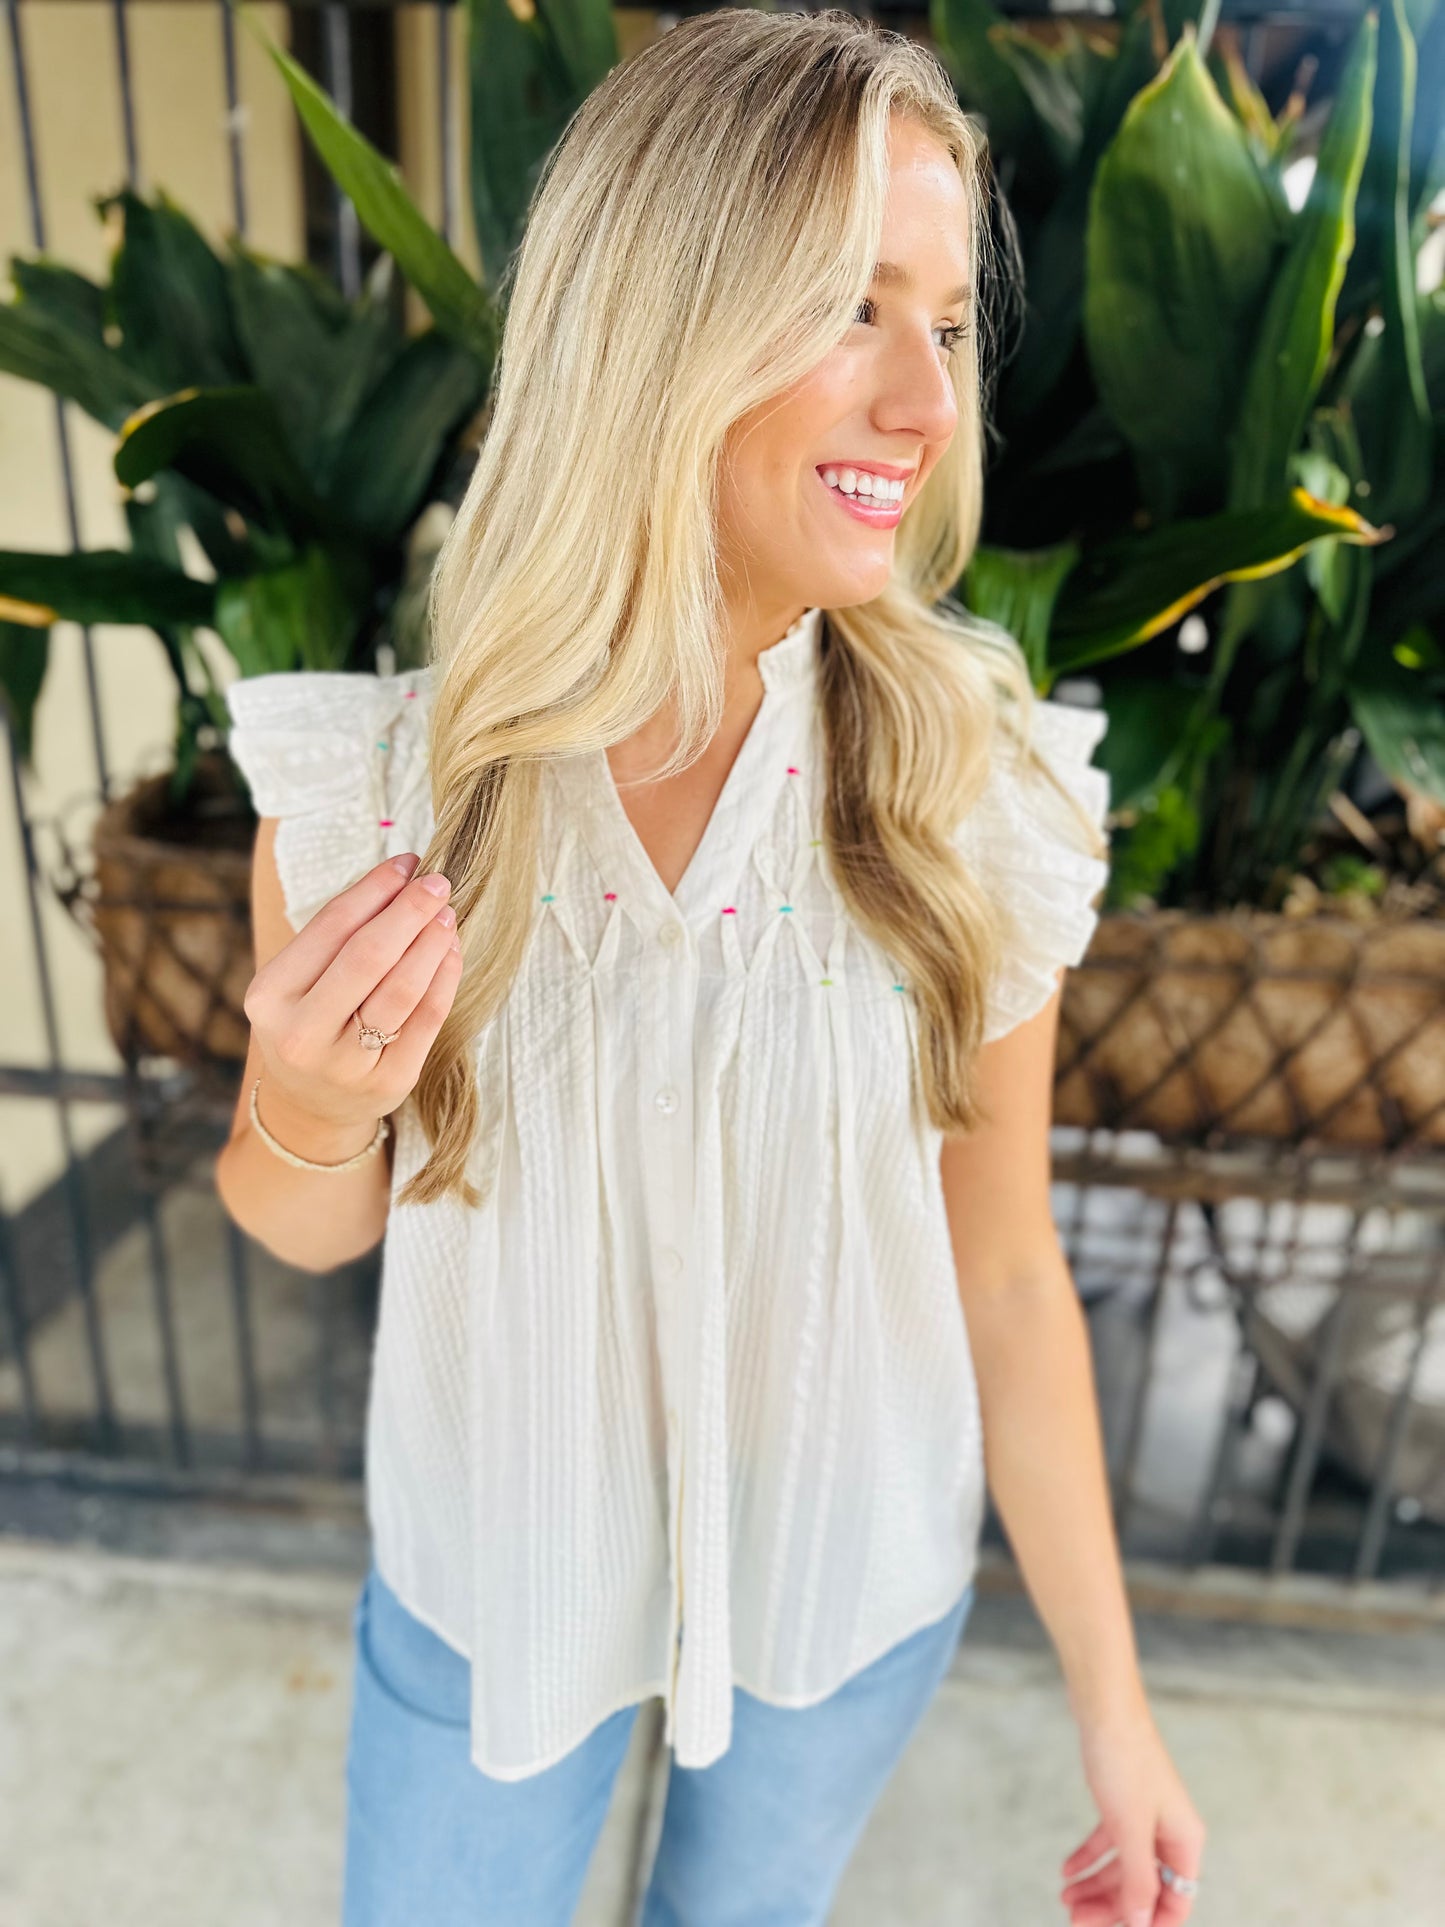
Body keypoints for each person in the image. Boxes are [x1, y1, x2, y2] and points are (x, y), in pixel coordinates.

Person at [217, 9, 1206, 1924]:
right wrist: (311, 1103)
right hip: (491, 1585)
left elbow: (1006, 1275)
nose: (926, 406)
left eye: (946, 327)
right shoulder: (378, 794)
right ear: (655, 327)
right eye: (852, 308)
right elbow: (301, 1221)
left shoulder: (968, 791)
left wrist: (1117, 1712)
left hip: (842, 1591)